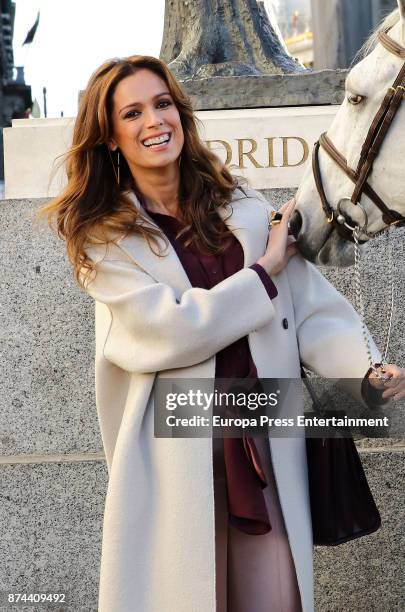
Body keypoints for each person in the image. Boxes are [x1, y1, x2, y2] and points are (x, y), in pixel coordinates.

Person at [40, 55, 405, 612]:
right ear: (110, 137)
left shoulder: (246, 209)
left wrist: (365, 371)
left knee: (276, 597)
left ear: (181, 114)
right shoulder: (106, 241)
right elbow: (170, 330)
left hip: (263, 440)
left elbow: (311, 312)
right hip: (175, 452)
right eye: (132, 112)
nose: (153, 121)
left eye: (162, 104)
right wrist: (263, 273)